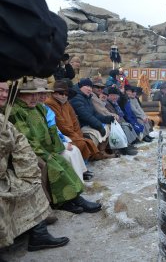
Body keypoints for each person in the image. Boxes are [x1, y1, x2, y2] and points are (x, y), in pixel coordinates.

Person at [9, 78, 102, 214]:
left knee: (63, 162)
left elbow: (50, 129)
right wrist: (46, 153)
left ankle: (74, 198)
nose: (36, 98)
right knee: (55, 166)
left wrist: (56, 147)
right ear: (20, 94)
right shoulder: (17, 111)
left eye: (37, 94)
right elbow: (26, 138)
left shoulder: (38, 107)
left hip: (47, 148)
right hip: (32, 150)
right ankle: (63, 201)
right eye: (31, 94)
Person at [0, 81, 69, 252]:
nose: (3, 94)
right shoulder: (14, 112)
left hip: (5, 172)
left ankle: (39, 236)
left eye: (5, 91)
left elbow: (20, 143)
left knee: (32, 182)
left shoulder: (3, 118)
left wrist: (28, 172)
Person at [45, 80, 115, 162]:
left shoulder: (67, 103)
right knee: (82, 143)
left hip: (73, 132)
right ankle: (85, 167)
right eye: (60, 93)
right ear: (53, 93)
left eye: (66, 94)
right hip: (64, 135)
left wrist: (107, 119)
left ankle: (96, 156)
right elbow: (61, 124)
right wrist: (77, 136)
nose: (64, 96)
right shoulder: (51, 103)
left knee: (86, 141)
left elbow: (75, 120)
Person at [70, 78, 115, 147]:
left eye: (90, 87)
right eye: (87, 86)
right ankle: (95, 153)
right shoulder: (76, 98)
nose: (89, 89)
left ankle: (102, 151)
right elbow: (85, 115)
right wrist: (99, 125)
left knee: (107, 126)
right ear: (80, 87)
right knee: (96, 133)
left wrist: (106, 119)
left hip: (87, 123)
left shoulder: (87, 97)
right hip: (81, 125)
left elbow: (94, 113)